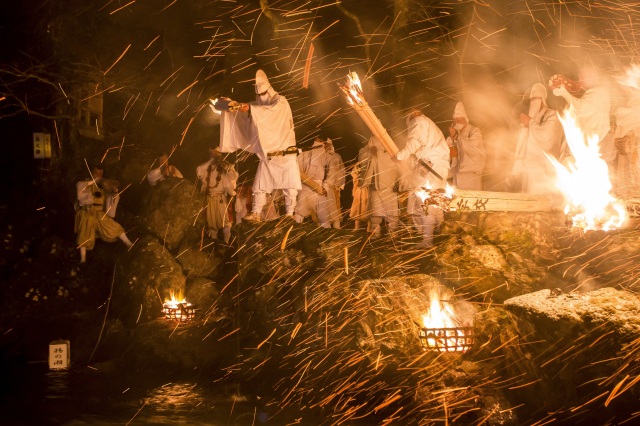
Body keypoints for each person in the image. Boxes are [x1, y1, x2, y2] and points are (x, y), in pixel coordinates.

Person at [219, 69, 302, 222]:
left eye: (262, 95)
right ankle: (256, 213)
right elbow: (249, 111)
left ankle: (290, 215)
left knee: (290, 188)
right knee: (259, 186)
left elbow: (267, 113)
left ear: (269, 92)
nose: (259, 98)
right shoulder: (259, 106)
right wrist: (232, 105)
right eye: (257, 96)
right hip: (268, 156)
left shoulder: (281, 102)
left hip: (286, 155)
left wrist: (249, 109)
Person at [396, 110, 450, 248]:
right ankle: (441, 229)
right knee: (435, 201)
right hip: (435, 166)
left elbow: (414, 141)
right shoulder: (427, 123)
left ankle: (427, 240)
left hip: (433, 166)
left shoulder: (418, 121)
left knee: (427, 202)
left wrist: (401, 155)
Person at [550, 67, 614, 166]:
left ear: (593, 77)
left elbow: (581, 109)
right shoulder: (593, 93)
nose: (580, 80)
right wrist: (567, 90)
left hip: (587, 144)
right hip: (583, 142)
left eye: (583, 76)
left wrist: (564, 93)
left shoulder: (600, 93)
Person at [511, 83, 564, 194]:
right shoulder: (528, 121)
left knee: (542, 199)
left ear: (542, 99)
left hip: (544, 168)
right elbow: (521, 146)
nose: (532, 102)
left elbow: (547, 138)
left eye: (535, 99)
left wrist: (530, 123)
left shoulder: (551, 115)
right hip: (528, 169)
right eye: (531, 100)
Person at [74, 165, 133, 263]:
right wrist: (93, 181)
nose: (99, 175)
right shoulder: (84, 183)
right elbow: (80, 193)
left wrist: (114, 192)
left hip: (99, 213)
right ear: (92, 173)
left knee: (112, 226)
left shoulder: (104, 186)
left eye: (100, 174)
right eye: (96, 173)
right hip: (87, 212)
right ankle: (83, 259)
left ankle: (128, 243)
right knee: (85, 232)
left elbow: (111, 198)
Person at [359, 135, 401, 238]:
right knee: (376, 211)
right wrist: (370, 153)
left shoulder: (392, 148)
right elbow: (362, 158)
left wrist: (398, 181)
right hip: (375, 185)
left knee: (392, 211)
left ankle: (392, 231)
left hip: (390, 186)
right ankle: (375, 232)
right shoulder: (369, 147)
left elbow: (399, 165)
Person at [196, 147, 238, 243]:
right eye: (211, 153)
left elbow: (234, 176)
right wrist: (210, 161)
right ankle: (213, 243)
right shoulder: (206, 167)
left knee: (226, 221)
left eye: (215, 153)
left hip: (221, 198)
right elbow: (198, 172)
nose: (213, 155)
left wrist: (224, 165)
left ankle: (226, 242)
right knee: (211, 223)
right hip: (209, 198)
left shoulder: (226, 166)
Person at [446, 102, 485, 190]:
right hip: (457, 174)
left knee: (471, 199)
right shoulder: (453, 133)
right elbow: (449, 152)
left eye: (459, 121)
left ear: (465, 120)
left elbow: (474, 150)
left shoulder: (474, 131)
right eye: (455, 121)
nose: (457, 123)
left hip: (471, 175)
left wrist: (457, 137)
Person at [294, 138, 331, 227]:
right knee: (300, 212)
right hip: (306, 187)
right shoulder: (303, 155)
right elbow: (298, 173)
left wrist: (325, 187)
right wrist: (317, 187)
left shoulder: (327, 157)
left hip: (320, 189)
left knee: (324, 217)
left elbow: (332, 174)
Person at [324, 139, 346, 229]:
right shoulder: (324, 156)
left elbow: (340, 171)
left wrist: (338, 184)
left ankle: (335, 227)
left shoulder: (335, 156)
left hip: (330, 187)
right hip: (327, 186)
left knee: (333, 208)